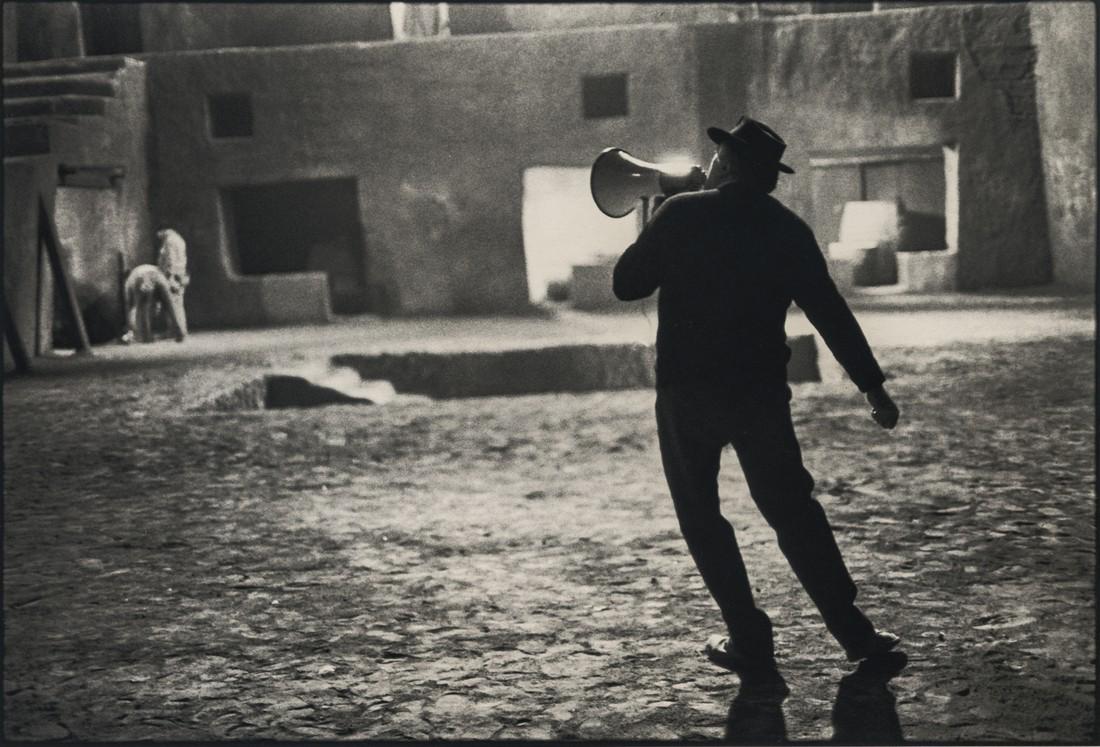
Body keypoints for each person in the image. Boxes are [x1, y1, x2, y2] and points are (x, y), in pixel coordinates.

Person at [612, 117, 901, 681]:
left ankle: (749, 638)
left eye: (717, 156)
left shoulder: (681, 212)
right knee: (792, 510)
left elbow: (627, 284)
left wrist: (655, 213)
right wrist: (873, 387)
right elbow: (830, 314)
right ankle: (854, 632)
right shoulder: (787, 228)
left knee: (701, 515)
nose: (709, 162)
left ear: (728, 163)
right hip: (759, 394)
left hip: (687, 392)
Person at [122, 265, 186, 343]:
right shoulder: (137, 271)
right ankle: (180, 333)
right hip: (158, 275)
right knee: (170, 305)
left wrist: (129, 328)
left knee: (142, 309)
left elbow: (128, 307)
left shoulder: (128, 282)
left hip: (141, 278)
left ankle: (146, 338)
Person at [155, 227, 189, 338]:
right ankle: (180, 329)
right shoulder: (180, 239)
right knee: (178, 304)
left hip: (172, 275)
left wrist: (169, 276)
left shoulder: (169, 241)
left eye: (159, 234)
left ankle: (175, 330)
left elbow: (170, 259)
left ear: (163, 230)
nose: (158, 237)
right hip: (180, 273)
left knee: (172, 304)